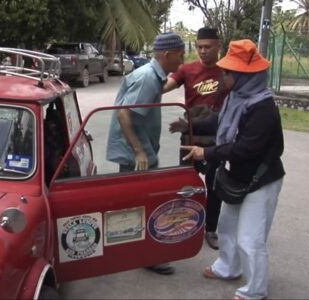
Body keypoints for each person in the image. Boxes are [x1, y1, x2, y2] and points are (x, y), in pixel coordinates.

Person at [180, 39, 285, 300]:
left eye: (228, 72)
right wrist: (189, 125)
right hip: (239, 174)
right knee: (227, 226)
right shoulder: (237, 97)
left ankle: (255, 290)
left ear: (244, 75)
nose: (223, 76)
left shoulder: (262, 108)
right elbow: (219, 121)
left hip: (261, 179)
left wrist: (207, 152)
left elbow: (245, 148)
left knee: (251, 238)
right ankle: (228, 267)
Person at [106, 32, 185, 275]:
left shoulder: (155, 76)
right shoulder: (148, 78)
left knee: (139, 202)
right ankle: (144, 255)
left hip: (142, 147)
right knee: (144, 203)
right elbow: (124, 115)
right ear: (167, 55)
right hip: (135, 152)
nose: (181, 61)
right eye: (180, 56)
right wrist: (139, 151)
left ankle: (133, 250)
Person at [164, 27, 227, 250]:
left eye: (207, 47)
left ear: (218, 46)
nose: (202, 51)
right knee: (186, 183)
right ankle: (185, 226)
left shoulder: (227, 71)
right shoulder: (187, 70)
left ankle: (210, 229)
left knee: (214, 185)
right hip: (189, 135)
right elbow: (165, 86)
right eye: (199, 47)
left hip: (215, 138)